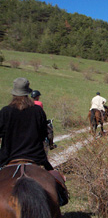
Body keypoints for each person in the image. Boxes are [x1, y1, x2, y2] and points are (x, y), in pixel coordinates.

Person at [0, 77, 68, 206]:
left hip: (7, 157)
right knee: (57, 182)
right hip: (36, 157)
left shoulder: (5, 112)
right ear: (27, 93)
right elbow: (44, 135)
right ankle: (60, 197)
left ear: (14, 93)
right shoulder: (38, 111)